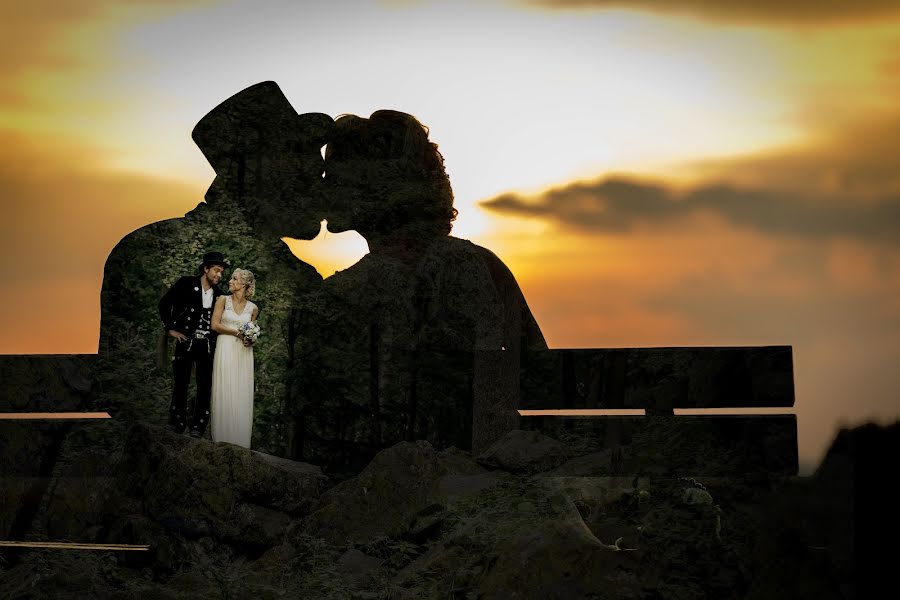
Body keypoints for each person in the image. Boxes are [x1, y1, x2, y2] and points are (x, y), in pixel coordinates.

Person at [304, 110, 547, 474]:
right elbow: (544, 375)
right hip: (483, 466)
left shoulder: (342, 293)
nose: (322, 190)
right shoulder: (487, 265)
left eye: (335, 178)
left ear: (371, 187)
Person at [157, 251, 228, 437]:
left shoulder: (221, 296)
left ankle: (198, 428)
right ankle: (176, 423)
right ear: (206, 269)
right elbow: (164, 304)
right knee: (181, 383)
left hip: (208, 346)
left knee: (205, 386)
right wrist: (170, 329)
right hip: (186, 341)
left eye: (221, 272)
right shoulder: (186, 283)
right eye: (216, 271)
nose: (219, 275)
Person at [210, 268, 259, 448]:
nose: (229, 281)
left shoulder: (253, 308)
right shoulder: (223, 300)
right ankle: (222, 439)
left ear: (244, 284)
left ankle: (240, 442)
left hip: (243, 354)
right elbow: (215, 325)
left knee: (241, 391)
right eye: (231, 278)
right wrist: (237, 332)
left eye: (234, 278)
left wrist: (250, 340)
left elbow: (251, 333)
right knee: (225, 387)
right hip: (225, 348)